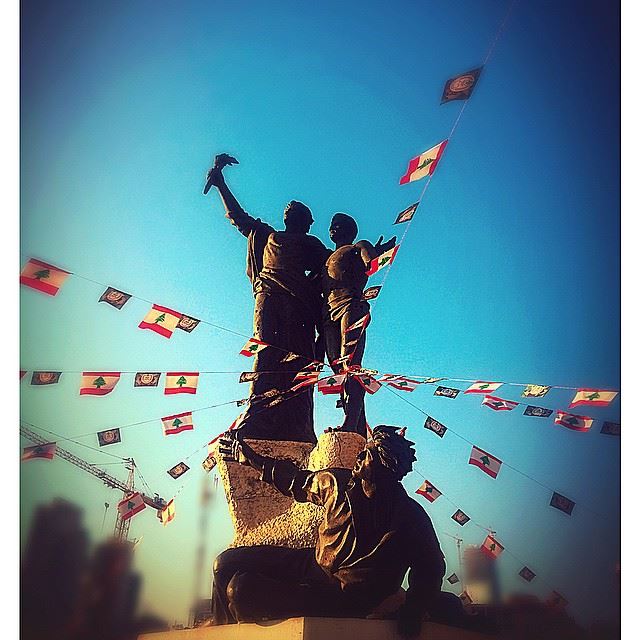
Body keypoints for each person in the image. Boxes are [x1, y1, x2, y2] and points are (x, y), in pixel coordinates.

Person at [212, 426, 461, 638]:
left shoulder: (410, 517)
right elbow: (296, 481)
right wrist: (251, 458)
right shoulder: (337, 483)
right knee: (224, 563)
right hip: (314, 563)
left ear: (387, 468)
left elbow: (430, 569)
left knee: (241, 589)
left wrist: (413, 610)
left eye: (369, 454)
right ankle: (219, 631)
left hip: (346, 596)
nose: (360, 455)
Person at [206, 155, 328, 442]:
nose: (292, 216)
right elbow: (238, 217)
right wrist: (220, 183)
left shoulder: (311, 244)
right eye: (292, 213)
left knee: (299, 362)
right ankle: (257, 415)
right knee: (267, 353)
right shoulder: (267, 236)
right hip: (269, 299)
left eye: (298, 215)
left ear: (305, 223)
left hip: (300, 308)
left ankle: (297, 424)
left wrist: (366, 253)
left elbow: (332, 268)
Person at [321, 213, 395, 436]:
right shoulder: (327, 257)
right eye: (332, 224)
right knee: (338, 368)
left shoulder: (358, 245)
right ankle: (357, 425)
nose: (333, 227)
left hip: (351, 305)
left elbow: (370, 262)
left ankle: (350, 424)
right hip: (328, 314)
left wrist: (377, 252)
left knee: (351, 364)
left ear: (350, 230)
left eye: (338, 225)